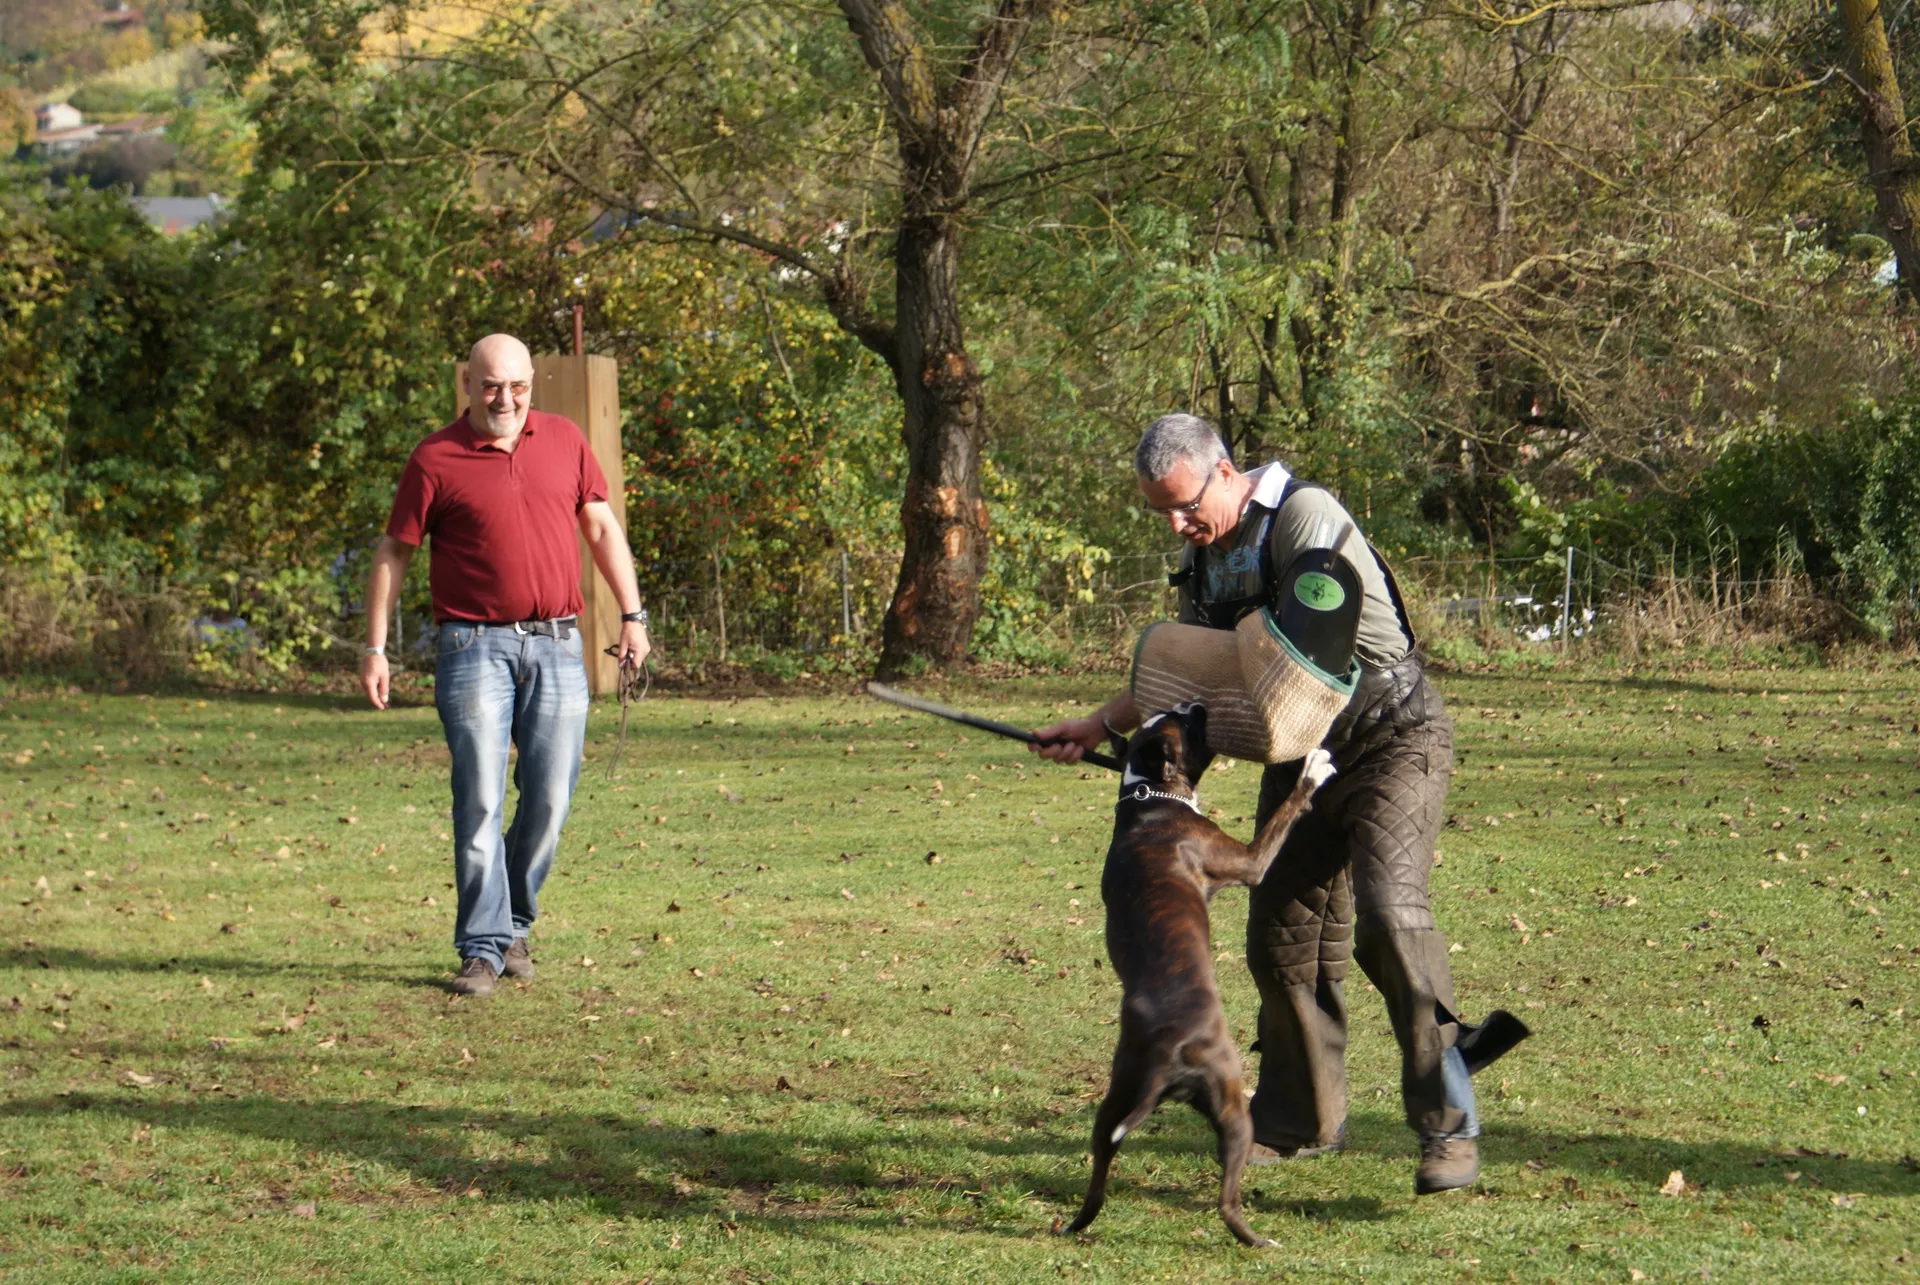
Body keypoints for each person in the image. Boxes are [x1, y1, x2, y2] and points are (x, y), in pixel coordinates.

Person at [1033, 412, 1481, 1194]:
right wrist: (1099, 724)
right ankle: (1299, 1119)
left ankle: (1449, 1125)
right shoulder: (1204, 559)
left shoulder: (1304, 518)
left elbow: (1307, 649)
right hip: (1302, 755)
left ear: (1224, 470)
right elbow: (1190, 674)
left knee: (1391, 919)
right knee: (1281, 941)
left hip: (1392, 738)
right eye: (1161, 512)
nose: (1176, 525)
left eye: (1183, 506)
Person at [360, 333, 651, 997]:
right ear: (468, 384)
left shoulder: (565, 440)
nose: (505, 399)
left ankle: (513, 920)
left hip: (557, 644)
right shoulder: (435, 456)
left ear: (531, 384)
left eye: (517, 386)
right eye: (491, 386)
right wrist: (375, 649)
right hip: (472, 648)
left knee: (550, 797)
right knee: (481, 798)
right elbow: (393, 552)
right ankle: (482, 947)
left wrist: (633, 615)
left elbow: (600, 527)